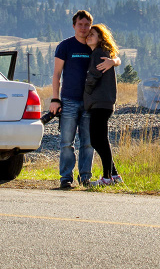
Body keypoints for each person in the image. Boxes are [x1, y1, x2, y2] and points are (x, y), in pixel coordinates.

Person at [49, 10, 119, 189]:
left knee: (88, 142)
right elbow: (57, 74)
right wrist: (55, 99)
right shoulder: (65, 46)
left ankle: (85, 177)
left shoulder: (92, 45)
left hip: (91, 103)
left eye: (87, 25)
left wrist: (114, 61)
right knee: (66, 142)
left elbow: (112, 54)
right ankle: (66, 178)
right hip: (69, 100)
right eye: (80, 24)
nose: (84, 28)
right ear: (74, 25)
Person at [84, 23, 122, 186]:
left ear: (100, 38)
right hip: (104, 102)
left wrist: (83, 90)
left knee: (98, 140)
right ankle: (114, 175)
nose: (89, 36)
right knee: (100, 139)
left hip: (99, 102)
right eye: (88, 34)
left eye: (93, 34)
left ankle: (107, 178)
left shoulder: (98, 53)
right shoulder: (103, 53)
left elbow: (93, 77)